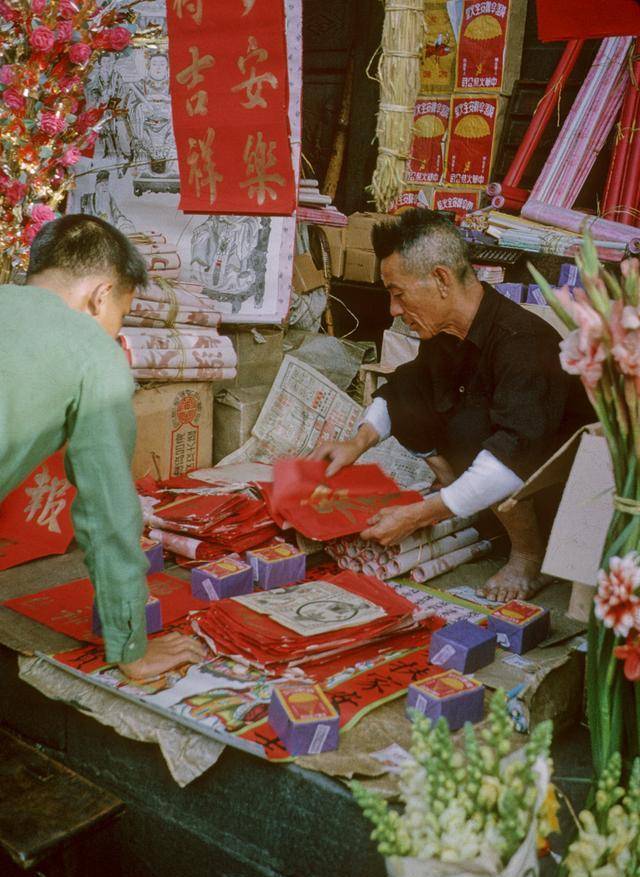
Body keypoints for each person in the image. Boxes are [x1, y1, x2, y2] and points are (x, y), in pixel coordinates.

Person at [311, 208, 592, 601]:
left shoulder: (524, 343)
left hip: (553, 494)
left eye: (398, 294)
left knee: (475, 429)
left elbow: (514, 453)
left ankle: (529, 554)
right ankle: (461, 497)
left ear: (441, 279)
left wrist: (418, 515)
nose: (393, 310)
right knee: (412, 391)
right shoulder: (445, 331)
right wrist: (356, 444)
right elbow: (408, 386)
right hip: (501, 471)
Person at [0, 214, 206, 677]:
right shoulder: (95, 354)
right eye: (122, 315)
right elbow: (107, 511)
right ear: (100, 296)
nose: (116, 331)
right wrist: (131, 647)